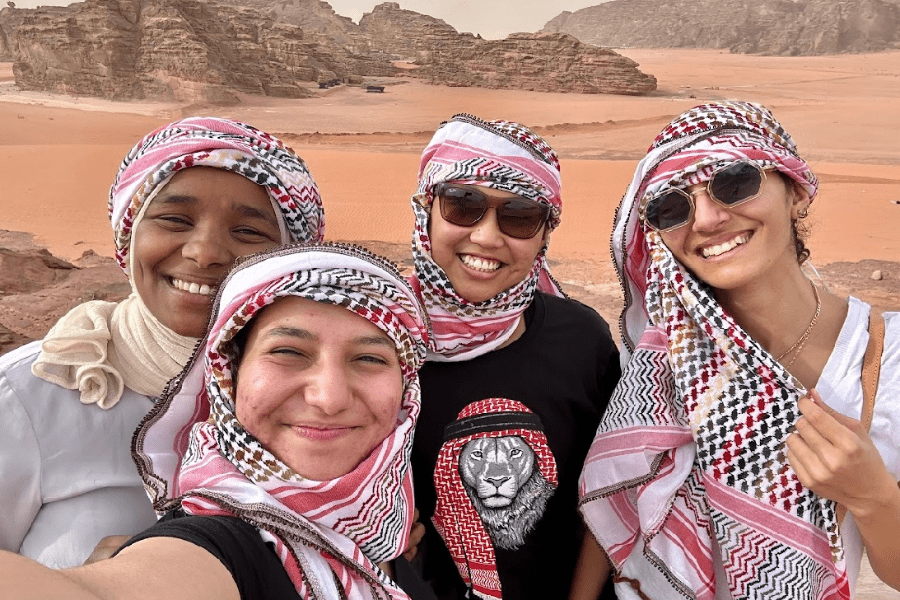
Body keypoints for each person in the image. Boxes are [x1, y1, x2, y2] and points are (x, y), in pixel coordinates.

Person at [578, 101, 900, 599]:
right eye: (673, 207)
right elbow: (615, 511)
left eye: (734, 183)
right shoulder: (659, 353)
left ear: (795, 191)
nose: (706, 219)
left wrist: (873, 497)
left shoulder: (887, 357)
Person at [0, 243, 433, 599]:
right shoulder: (219, 543)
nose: (329, 398)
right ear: (229, 374)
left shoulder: (382, 527)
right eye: (288, 352)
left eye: (370, 358)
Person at [0, 117, 325, 569]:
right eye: (175, 220)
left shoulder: (328, 398)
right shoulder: (27, 396)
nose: (205, 251)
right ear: (128, 233)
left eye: (249, 232)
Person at [407, 114, 621, 600]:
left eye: (520, 215)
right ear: (426, 210)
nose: (486, 236)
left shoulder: (581, 339)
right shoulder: (377, 340)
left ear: (545, 233)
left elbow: (609, 491)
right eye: (463, 205)